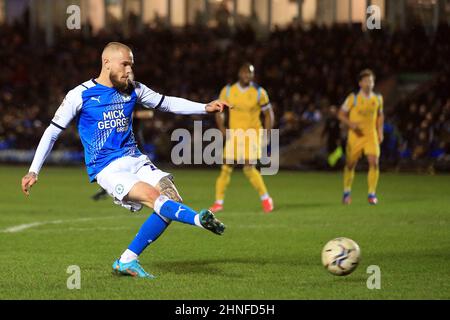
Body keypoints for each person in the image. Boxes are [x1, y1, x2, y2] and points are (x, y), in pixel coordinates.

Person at [21, 42, 231, 279]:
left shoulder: (134, 89)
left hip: (136, 160)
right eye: (125, 64)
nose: (129, 70)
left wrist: (205, 107)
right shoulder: (79, 95)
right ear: (106, 62)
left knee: (171, 199)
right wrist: (33, 171)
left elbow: (167, 102)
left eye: (131, 64)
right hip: (108, 168)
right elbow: (52, 132)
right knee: (156, 199)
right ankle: (198, 220)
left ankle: (127, 259)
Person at [209, 63, 274, 213]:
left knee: (248, 167)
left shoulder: (259, 92)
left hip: (253, 134)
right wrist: (222, 128)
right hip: (235, 134)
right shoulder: (228, 91)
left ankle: (266, 199)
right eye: (245, 72)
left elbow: (269, 114)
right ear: (239, 73)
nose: (247, 75)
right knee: (226, 167)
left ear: (253, 75)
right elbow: (219, 110)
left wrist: (267, 134)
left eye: (250, 73)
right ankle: (218, 202)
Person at [338, 69, 384, 205]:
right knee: (351, 164)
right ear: (360, 83)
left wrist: (380, 131)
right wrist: (350, 124)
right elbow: (341, 114)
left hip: (371, 135)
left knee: (374, 162)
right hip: (355, 136)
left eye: (371, 81)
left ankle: (371, 194)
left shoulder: (378, 99)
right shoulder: (353, 98)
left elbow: (380, 115)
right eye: (366, 81)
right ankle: (346, 192)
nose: (369, 83)